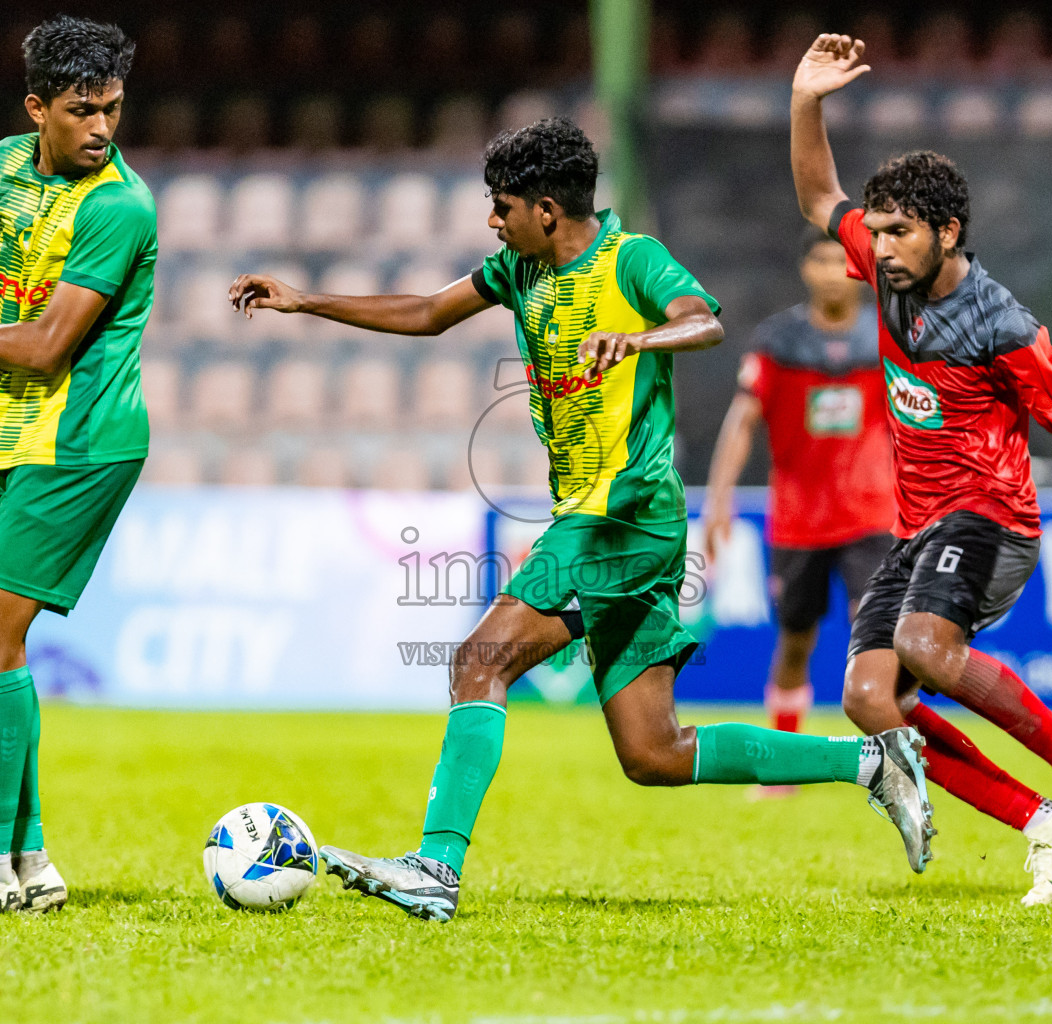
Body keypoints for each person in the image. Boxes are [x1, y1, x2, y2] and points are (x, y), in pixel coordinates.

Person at [229, 117, 935, 923]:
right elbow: (428, 310)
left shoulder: (631, 260)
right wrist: (305, 299)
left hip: (622, 512)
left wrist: (639, 340)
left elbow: (703, 319)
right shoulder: (518, 271)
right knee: (652, 752)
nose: (493, 222)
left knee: (478, 660)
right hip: (607, 517)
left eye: (501, 207)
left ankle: (436, 866)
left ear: (547, 208)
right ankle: (873, 762)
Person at [789, 33, 1052, 906]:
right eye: (876, 233)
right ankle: (1043, 826)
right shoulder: (884, 268)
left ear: (949, 231)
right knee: (870, 699)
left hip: (993, 520)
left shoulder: (1002, 324)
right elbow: (817, 197)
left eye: (899, 231)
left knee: (920, 647)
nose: (879, 247)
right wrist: (806, 101)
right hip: (920, 530)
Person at [0, 16, 155, 916]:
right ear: (36, 109)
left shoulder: (120, 208)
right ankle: (30, 863)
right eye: (83, 111)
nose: (101, 130)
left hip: (83, 441)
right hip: (21, 436)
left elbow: (47, 344)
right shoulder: (7, 166)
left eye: (114, 110)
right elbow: (16, 281)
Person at [702, 229, 895, 797]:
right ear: (806, 268)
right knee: (795, 643)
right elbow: (743, 419)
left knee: (876, 636)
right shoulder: (778, 340)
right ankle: (783, 771)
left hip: (872, 518)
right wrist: (719, 496)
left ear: (860, 271)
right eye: (822, 258)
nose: (834, 269)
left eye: (844, 259)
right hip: (798, 521)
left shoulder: (888, 337)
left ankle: (896, 761)